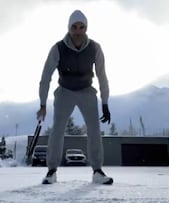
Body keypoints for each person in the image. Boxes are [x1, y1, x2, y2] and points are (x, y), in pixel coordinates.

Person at [36, 10, 113, 185]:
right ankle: (51, 171)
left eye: (81, 27)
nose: (78, 31)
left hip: (87, 91)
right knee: (57, 129)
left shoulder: (95, 47)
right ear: (69, 28)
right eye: (74, 27)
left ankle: (97, 171)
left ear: (86, 28)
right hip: (65, 91)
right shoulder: (58, 48)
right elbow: (46, 76)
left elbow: (102, 75)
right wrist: (42, 104)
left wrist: (105, 103)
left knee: (94, 128)